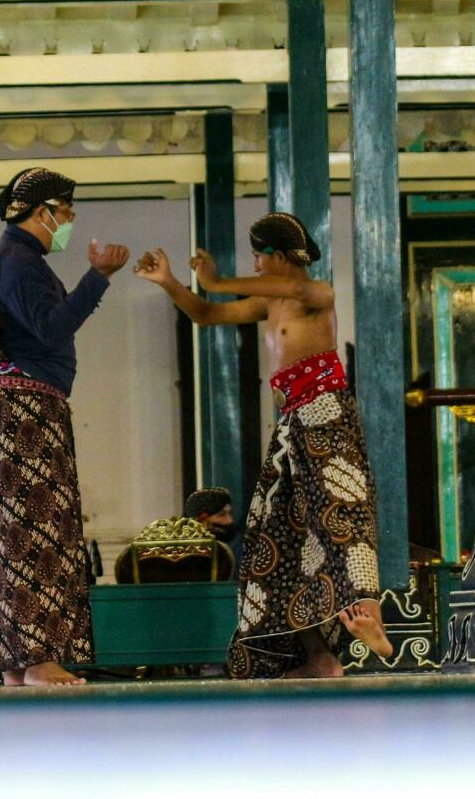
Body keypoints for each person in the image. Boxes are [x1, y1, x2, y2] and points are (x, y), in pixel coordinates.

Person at [135, 212, 392, 678]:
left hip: (326, 414)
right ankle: (318, 658)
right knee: (279, 536)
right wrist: (170, 281)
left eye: (258, 256)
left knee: (342, 517)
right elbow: (207, 313)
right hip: (291, 422)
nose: (255, 265)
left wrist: (215, 277)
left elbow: (293, 290)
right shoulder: (268, 304)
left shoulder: (317, 294)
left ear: (277, 254)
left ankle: (370, 619)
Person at [0, 167, 129, 686]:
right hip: (24, 412)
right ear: (43, 212)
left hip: (15, 407)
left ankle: (19, 663)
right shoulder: (19, 261)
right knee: (36, 532)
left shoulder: (12, 259)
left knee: (16, 536)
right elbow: (53, 328)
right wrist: (97, 277)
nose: (70, 222)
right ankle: (37, 659)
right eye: (66, 212)